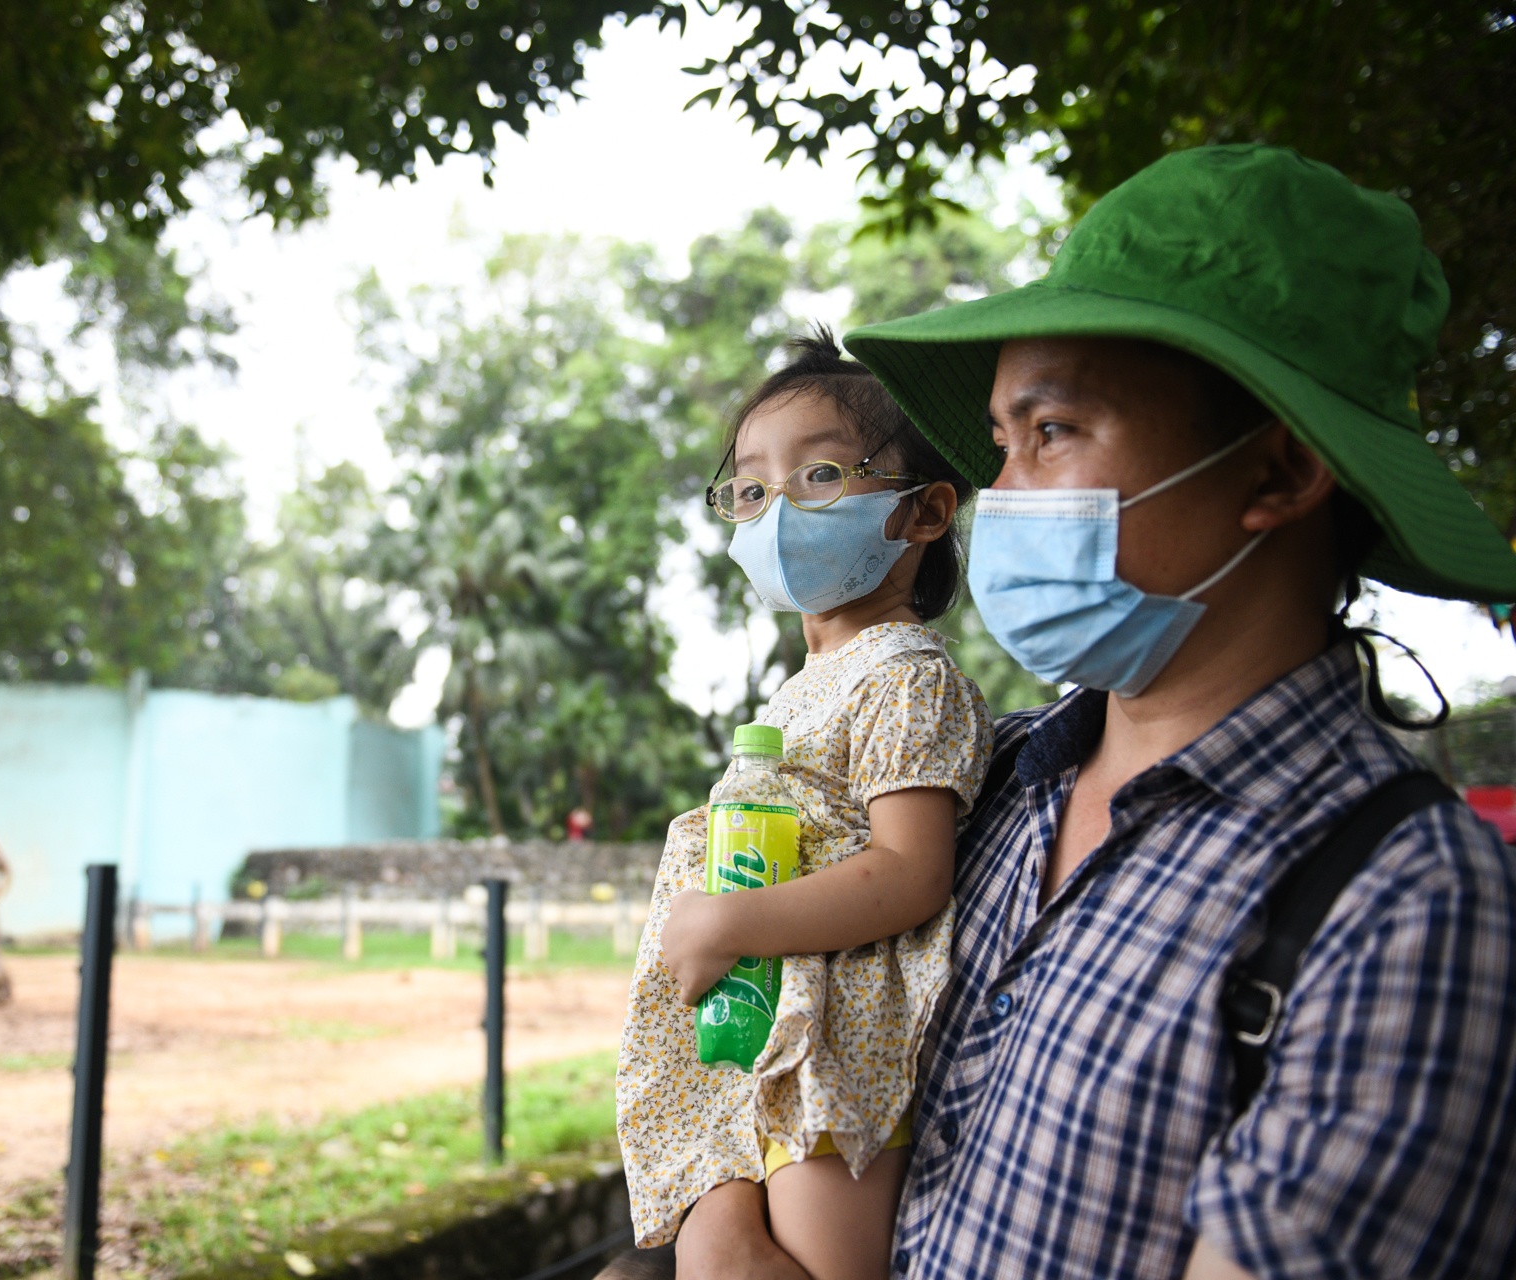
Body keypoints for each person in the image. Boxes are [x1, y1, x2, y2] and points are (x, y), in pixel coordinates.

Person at [635, 145, 1516, 1279]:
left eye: (1051, 433)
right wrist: (717, 1230)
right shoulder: (986, 781)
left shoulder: (1408, 908)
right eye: (1001, 444)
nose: (999, 498)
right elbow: (761, 1054)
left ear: (1278, 472)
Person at [615, 331, 994, 1280]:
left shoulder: (906, 676)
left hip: (837, 1042)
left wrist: (733, 920)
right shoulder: (803, 687)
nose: (776, 508)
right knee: (718, 1248)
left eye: (820, 475)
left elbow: (912, 870)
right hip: (756, 1031)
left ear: (925, 512)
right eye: (749, 490)